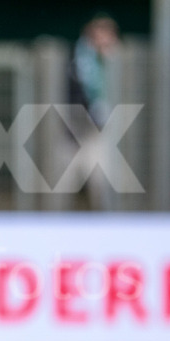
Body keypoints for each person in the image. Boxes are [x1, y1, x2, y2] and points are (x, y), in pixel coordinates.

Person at [65, 13, 121, 210]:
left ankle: (103, 217)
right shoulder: (76, 59)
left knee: (101, 181)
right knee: (65, 181)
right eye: (101, 33)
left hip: (102, 131)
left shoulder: (118, 61)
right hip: (75, 130)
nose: (106, 39)